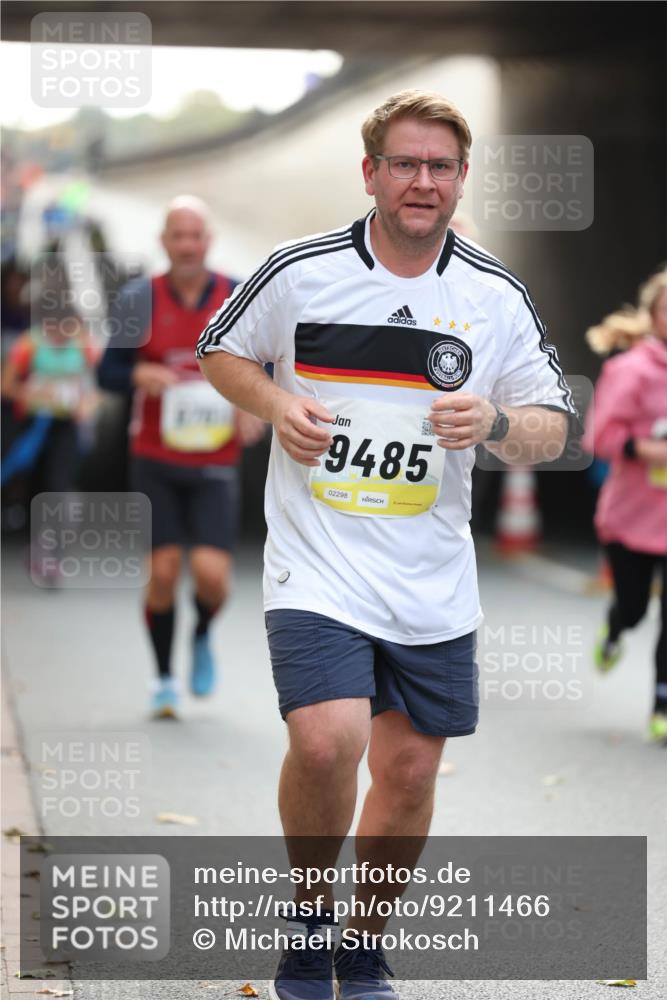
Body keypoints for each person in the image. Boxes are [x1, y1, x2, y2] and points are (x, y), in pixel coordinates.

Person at [197, 90, 578, 1000]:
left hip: (429, 576)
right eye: (403, 164)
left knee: (406, 774)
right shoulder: (301, 270)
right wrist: (278, 403)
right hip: (315, 562)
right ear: (369, 173)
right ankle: (306, 920)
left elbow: (553, 428)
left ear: (460, 179)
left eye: (438, 167)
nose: (421, 182)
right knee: (326, 745)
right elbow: (221, 352)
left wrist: (492, 417)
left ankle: (361, 944)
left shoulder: (493, 295)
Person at [98, 196, 264, 719]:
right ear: (164, 242)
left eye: (196, 236)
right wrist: (137, 375)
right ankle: (164, 679)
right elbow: (105, 373)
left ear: (208, 240)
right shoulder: (137, 300)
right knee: (164, 570)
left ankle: (203, 632)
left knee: (213, 576)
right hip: (154, 454)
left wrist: (255, 407)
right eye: (178, 236)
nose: (188, 245)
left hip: (215, 459)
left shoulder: (236, 294)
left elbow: (269, 363)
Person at [584, 267, 667, 743]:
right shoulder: (630, 369)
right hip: (634, 517)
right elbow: (600, 436)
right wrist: (650, 450)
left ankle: (661, 706)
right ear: (653, 315)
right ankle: (616, 628)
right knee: (635, 608)